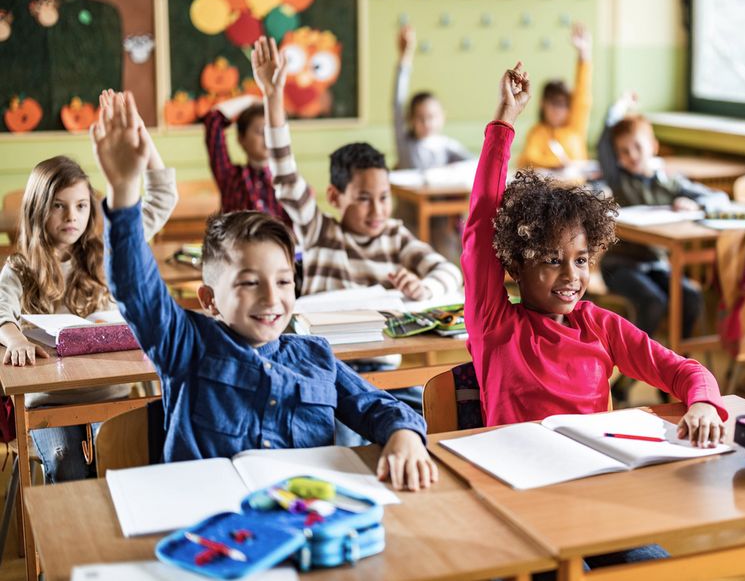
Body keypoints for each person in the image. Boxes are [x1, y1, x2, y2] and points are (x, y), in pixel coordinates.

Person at [93, 90, 437, 491]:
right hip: (210, 514)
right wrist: (124, 191)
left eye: (283, 281)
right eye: (249, 283)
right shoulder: (187, 345)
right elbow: (136, 289)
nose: (271, 298)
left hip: (305, 514)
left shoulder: (315, 357)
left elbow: (377, 405)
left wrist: (404, 434)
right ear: (209, 300)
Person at [467, 60, 728, 577]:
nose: (571, 276)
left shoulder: (599, 325)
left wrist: (702, 402)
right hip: (521, 503)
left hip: (598, 494)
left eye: (581, 260)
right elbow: (479, 226)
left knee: (656, 571)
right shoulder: (496, 324)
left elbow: (685, 370)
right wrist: (503, 123)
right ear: (514, 266)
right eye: (551, 260)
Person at [254, 36, 462, 444]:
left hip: (384, 372)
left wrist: (423, 289)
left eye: (384, 197)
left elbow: (448, 272)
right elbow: (284, 175)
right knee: (342, 443)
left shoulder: (394, 236)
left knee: (421, 427)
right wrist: (273, 98)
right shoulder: (319, 230)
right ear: (335, 197)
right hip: (327, 372)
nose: (377, 209)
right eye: (363, 198)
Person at [0, 90, 177, 483]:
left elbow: (163, 197)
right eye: (58, 205)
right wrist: (15, 339)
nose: (72, 216)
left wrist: (139, 135)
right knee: (67, 463)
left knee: (120, 455)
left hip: (109, 392)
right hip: (49, 400)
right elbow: (1, 314)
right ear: (37, 209)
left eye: (81, 206)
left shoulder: (108, 248)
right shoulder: (20, 267)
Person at [596, 92, 727, 402]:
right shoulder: (619, 179)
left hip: (656, 264)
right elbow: (603, 145)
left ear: (653, 146)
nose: (631, 156)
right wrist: (617, 109)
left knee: (691, 297)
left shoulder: (669, 181)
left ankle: (673, 373)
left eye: (637, 147)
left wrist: (694, 205)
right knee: (654, 302)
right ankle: (630, 378)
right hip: (621, 266)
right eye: (623, 151)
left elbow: (717, 198)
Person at [393, 24, 471, 170]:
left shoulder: (447, 145)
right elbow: (398, 104)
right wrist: (405, 56)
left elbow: (474, 164)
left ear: (443, 117)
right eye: (420, 118)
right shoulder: (405, 143)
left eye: (432, 117)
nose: (427, 123)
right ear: (410, 119)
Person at [203, 95, 290, 226]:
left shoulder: (287, 181)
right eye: (260, 131)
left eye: (272, 131)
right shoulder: (230, 177)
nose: (268, 137)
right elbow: (213, 120)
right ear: (241, 139)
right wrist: (249, 99)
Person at [516, 24, 592, 169]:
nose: (558, 110)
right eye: (553, 103)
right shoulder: (536, 133)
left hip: (576, 182)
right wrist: (556, 164)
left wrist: (584, 53)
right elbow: (527, 159)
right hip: (546, 183)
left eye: (563, 105)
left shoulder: (575, 128)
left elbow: (583, 92)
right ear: (542, 103)